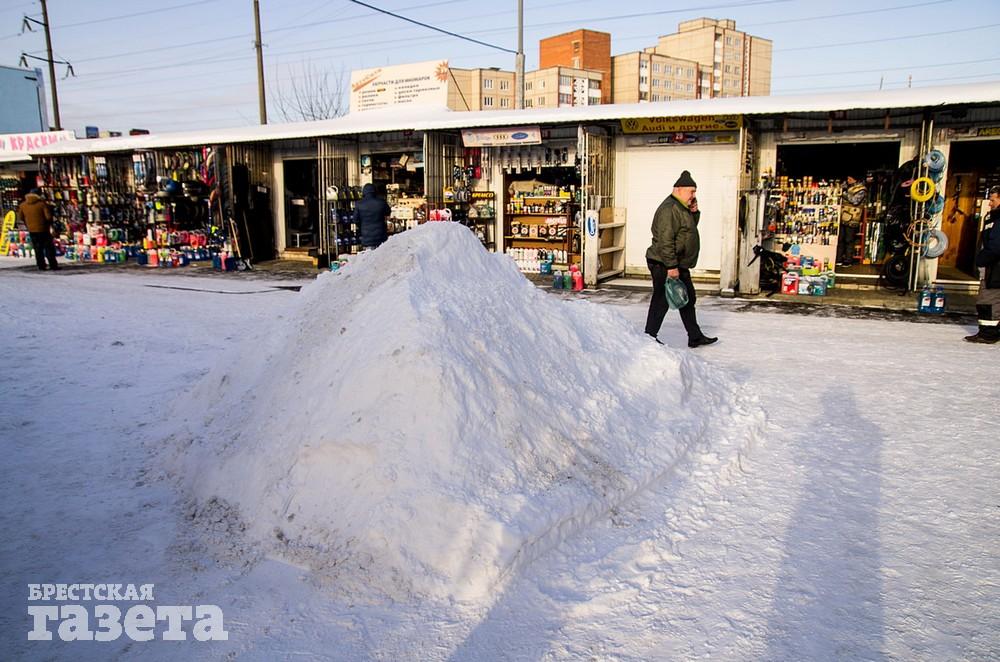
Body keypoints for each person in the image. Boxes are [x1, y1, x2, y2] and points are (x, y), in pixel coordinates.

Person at [645, 170, 717, 348]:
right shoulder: (669, 209)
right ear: (678, 189)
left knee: (687, 298)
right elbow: (666, 240)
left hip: (677, 262)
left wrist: (695, 212)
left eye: (695, 192)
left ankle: (695, 336)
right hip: (664, 262)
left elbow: (688, 230)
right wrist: (671, 266)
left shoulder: (681, 207)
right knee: (661, 300)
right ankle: (649, 337)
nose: (693, 195)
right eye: (691, 191)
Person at [965, 184, 1000, 344]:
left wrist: (981, 260)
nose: (990, 203)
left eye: (993, 200)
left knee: (988, 300)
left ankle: (988, 334)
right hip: (992, 267)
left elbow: (995, 246)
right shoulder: (992, 217)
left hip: (995, 269)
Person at [17, 188, 60, 271]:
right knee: (48, 247)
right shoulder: (42, 204)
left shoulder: (23, 205)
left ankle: (41, 265)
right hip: (43, 229)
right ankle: (53, 265)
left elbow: (20, 217)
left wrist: (28, 223)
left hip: (32, 230)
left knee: (38, 248)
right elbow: (48, 217)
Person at [837, 175, 867, 266]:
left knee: (849, 239)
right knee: (840, 238)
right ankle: (838, 258)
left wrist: (844, 194)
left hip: (853, 217)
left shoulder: (861, 189)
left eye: (850, 179)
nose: (848, 180)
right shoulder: (846, 187)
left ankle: (848, 260)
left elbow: (855, 200)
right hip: (843, 216)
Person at [353, 183, 391, 250]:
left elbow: (355, 219)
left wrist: (362, 226)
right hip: (381, 235)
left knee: (369, 257)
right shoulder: (381, 202)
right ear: (375, 191)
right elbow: (388, 212)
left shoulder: (359, 204)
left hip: (366, 236)